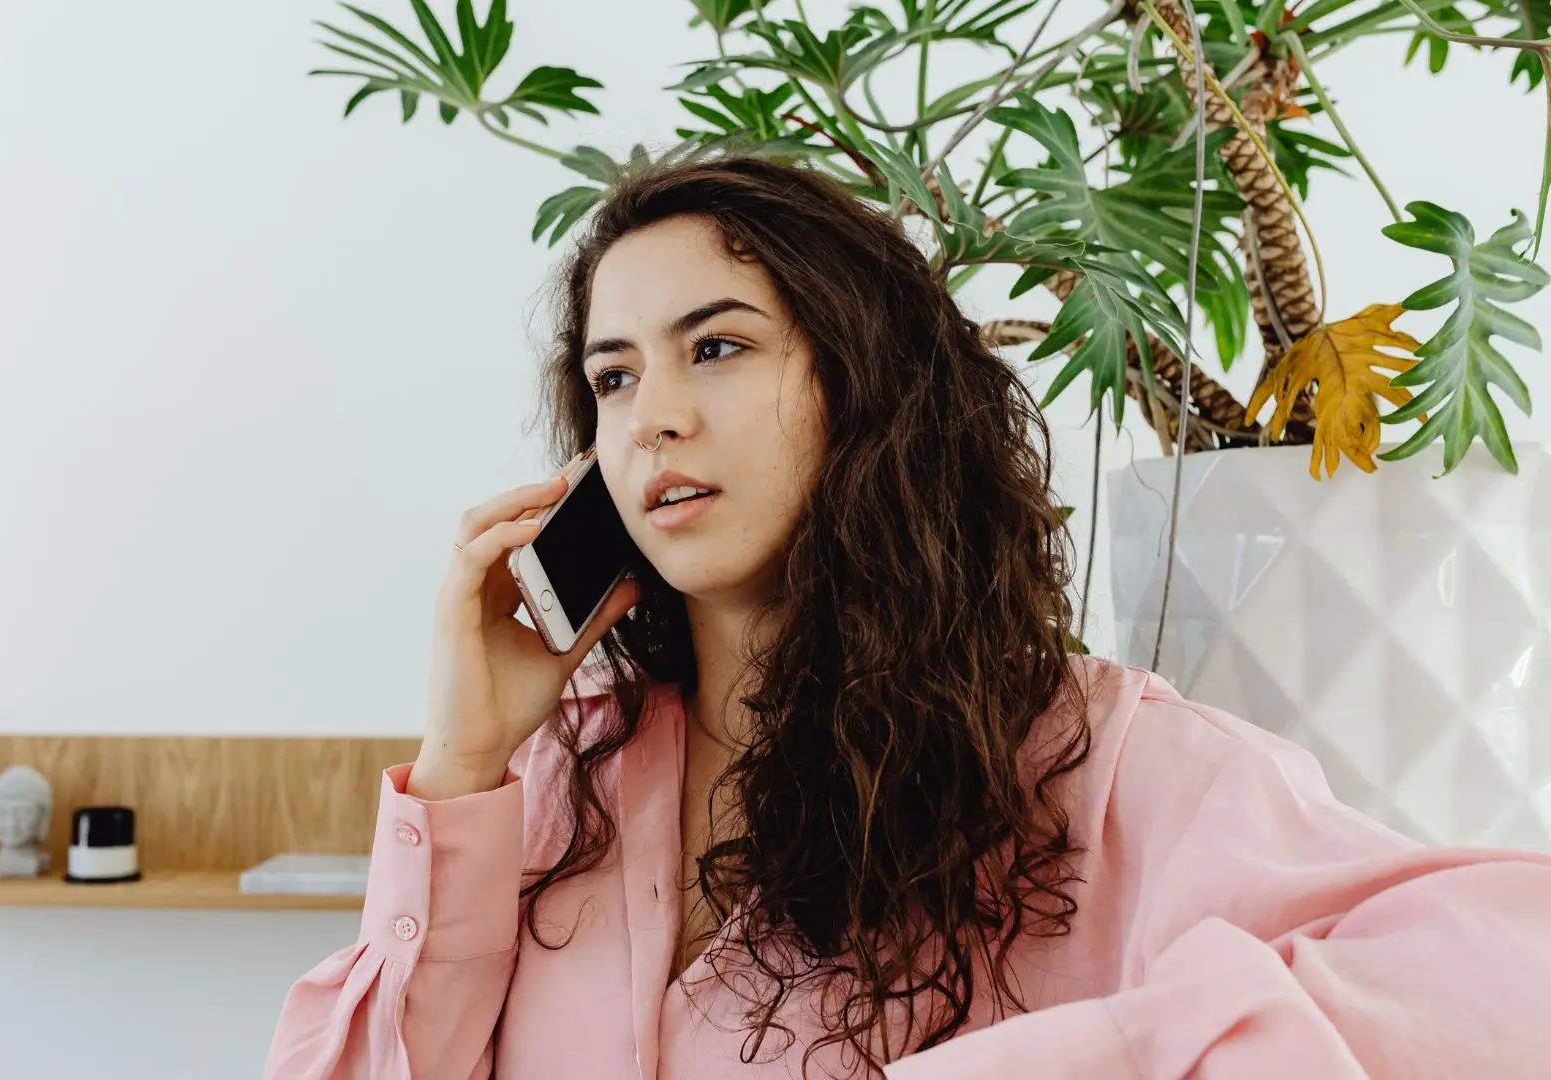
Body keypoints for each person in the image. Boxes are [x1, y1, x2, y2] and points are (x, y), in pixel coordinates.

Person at [264, 154, 1551, 1079]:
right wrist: (465, 762)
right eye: (614, 375)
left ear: (866, 386)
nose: (649, 413)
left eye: (716, 348)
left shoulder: (1085, 759)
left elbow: (1510, 977)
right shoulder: (556, 776)